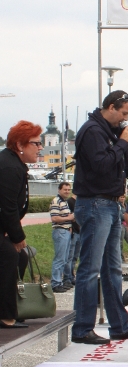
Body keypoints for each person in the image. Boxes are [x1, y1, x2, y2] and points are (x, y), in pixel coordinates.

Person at [71, 90, 128, 345]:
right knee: (90, 269)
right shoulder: (93, 131)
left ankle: (119, 325)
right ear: (110, 107)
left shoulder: (108, 133)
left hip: (108, 205)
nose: (125, 119)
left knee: (112, 270)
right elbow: (100, 165)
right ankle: (83, 328)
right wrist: (122, 143)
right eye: (124, 113)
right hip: (95, 203)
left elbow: (113, 166)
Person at [0, 121, 41, 329]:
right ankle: (5, 315)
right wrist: (17, 237)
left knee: (20, 256)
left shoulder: (14, 164)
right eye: (36, 143)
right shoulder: (8, 166)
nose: (40, 147)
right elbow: (7, 207)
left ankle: (14, 307)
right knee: (9, 255)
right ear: (20, 145)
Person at [49, 182, 74, 293]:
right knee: (59, 259)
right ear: (59, 190)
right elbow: (54, 218)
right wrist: (69, 217)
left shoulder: (64, 202)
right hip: (60, 231)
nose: (67, 191)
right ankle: (55, 283)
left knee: (64, 259)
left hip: (66, 231)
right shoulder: (56, 201)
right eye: (65, 189)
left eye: (69, 189)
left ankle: (60, 281)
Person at [65, 193, 81, 285]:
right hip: (73, 231)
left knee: (75, 256)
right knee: (70, 256)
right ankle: (67, 277)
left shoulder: (79, 202)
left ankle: (72, 276)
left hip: (79, 231)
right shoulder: (70, 202)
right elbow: (70, 217)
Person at [118, 195, 128, 263]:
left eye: (123, 197)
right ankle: (121, 260)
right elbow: (120, 216)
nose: (122, 198)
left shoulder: (126, 205)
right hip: (121, 225)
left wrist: (125, 215)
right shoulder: (118, 206)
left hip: (127, 225)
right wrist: (126, 216)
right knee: (121, 243)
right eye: (121, 197)